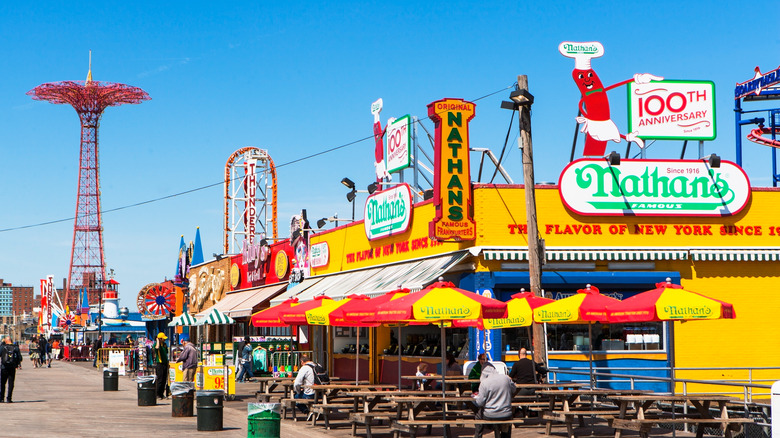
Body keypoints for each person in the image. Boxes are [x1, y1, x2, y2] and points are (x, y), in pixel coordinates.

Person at [472, 363, 514, 438]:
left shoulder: (484, 383)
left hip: (490, 414)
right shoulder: (506, 378)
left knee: (478, 415)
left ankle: (478, 436)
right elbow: (514, 389)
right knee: (507, 418)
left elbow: (480, 403)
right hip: (506, 413)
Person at [1, 336, 22, 403]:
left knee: (2, 383)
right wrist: (17, 364)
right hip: (12, 368)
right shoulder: (15, 348)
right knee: (11, 383)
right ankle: (9, 398)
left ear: (6, 341)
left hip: (4, 367)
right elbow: (20, 358)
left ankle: (1, 398)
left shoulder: (2, 347)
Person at [152, 332, 170, 399]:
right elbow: (157, 348)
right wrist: (157, 340)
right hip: (159, 363)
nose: (164, 340)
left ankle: (162, 393)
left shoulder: (165, 345)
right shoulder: (156, 344)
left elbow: (166, 354)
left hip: (165, 363)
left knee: (164, 380)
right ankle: (157, 394)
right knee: (160, 379)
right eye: (163, 338)